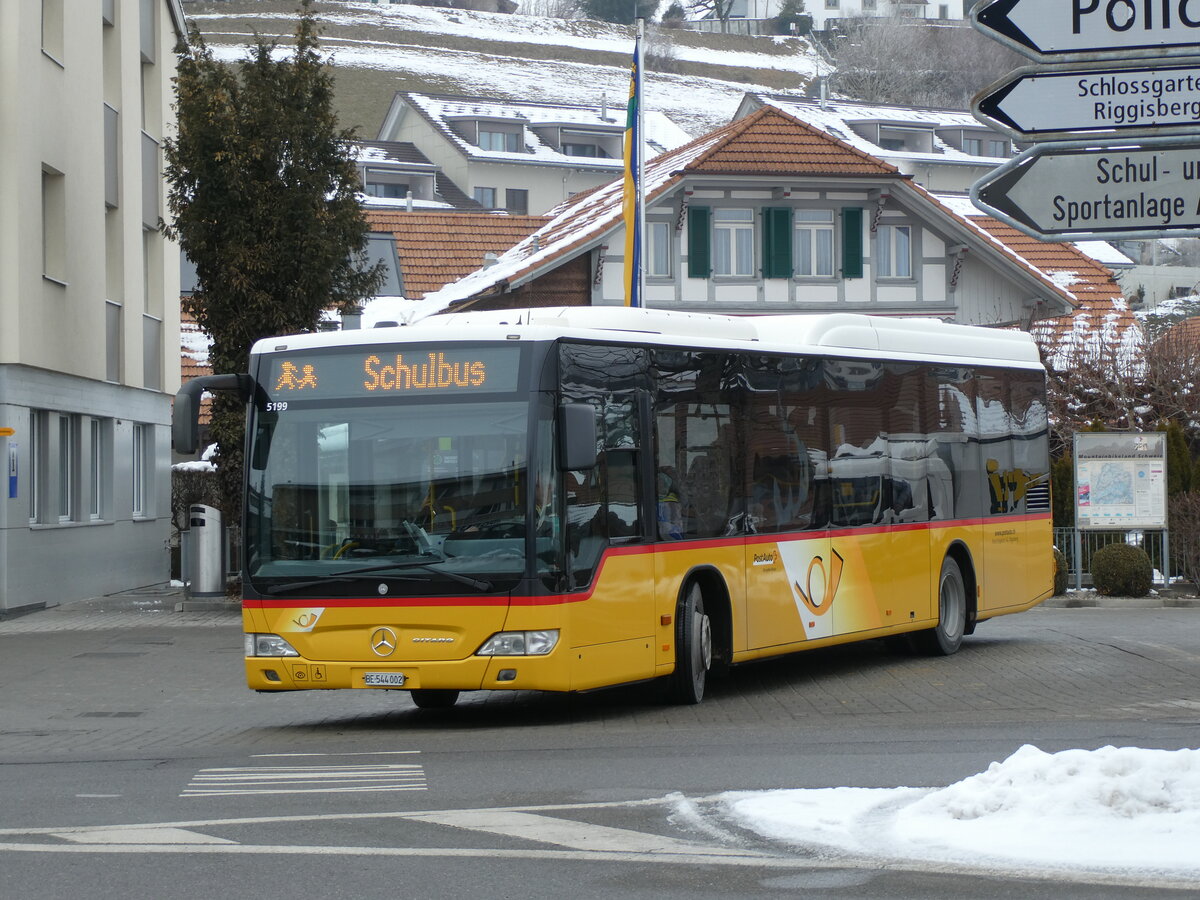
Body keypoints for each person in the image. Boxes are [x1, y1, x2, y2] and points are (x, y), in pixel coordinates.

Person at [656, 466, 683, 540]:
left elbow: (673, 524)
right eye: (657, 483)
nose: (658, 486)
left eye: (661, 483)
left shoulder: (671, 503)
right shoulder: (654, 499)